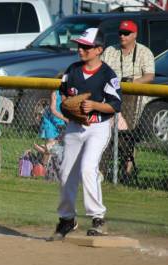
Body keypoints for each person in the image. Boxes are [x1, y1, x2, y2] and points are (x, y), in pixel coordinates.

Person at [49, 28, 122, 241]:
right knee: (65, 174)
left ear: (99, 50)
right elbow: (64, 96)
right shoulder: (72, 70)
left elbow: (116, 105)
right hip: (74, 127)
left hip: (98, 128)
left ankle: (98, 218)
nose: (80, 49)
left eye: (86, 47)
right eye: (79, 45)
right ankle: (67, 220)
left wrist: (95, 106)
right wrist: (70, 108)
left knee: (88, 168)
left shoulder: (108, 74)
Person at [101, 20, 155, 183]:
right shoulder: (110, 51)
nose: (122, 36)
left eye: (126, 33)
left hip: (133, 97)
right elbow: (101, 70)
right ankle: (102, 171)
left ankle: (126, 171)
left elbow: (150, 75)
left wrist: (133, 83)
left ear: (135, 35)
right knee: (106, 132)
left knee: (127, 135)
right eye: (121, 33)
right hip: (111, 95)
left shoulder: (144, 52)